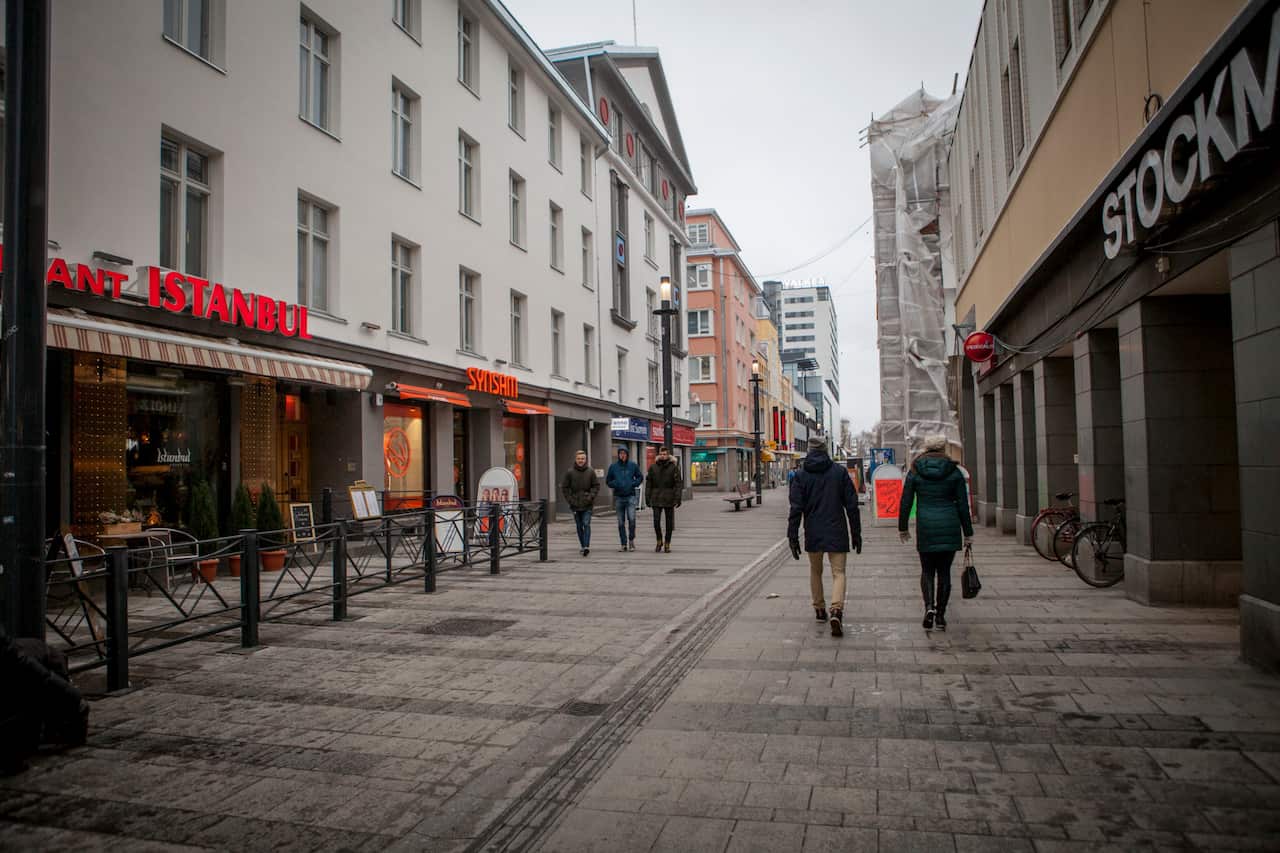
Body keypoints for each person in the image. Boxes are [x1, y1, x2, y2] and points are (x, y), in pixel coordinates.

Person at [897, 434, 974, 631]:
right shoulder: (954, 471)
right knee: (945, 572)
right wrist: (968, 532)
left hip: (926, 527)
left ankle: (929, 607)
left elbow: (906, 501)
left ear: (926, 448)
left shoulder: (915, 470)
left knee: (927, 570)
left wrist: (903, 527)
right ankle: (940, 615)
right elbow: (963, 505)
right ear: (943, 448)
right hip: (949, 525)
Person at [787, 436, 862, 637]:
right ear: (826, 449)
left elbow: (796, 508)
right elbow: (852, 505)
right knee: (839, 572)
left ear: (809, 451)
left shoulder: (801, 475)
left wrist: (792, 535)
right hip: (837, 529)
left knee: (815, 571)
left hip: (813, 531)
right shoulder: (839, 472)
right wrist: (856, 533)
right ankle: (836, 609)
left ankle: (820, 609)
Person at [560, 450, 600, 557]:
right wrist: (570, 500)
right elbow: (564, 488)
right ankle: (582, 545)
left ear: (585, 459)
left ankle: (586, 546)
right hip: (575, 504)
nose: (580, 460)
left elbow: (596, 486)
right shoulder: (570, 472)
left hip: (588, 504)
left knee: (586, 524)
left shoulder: (591, 472)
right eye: (579, 458)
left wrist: (590, 497)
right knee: (579, 526)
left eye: (582, 458)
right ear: (575, 459)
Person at [644, 446, 683, 552]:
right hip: (656, 498)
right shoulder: (653, 467)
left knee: (669, 523)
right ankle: (659, 540)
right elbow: (648, 484)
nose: (663, 456)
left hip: (669, 498)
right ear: (659, 455)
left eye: (665, 454)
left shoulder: (673, 468)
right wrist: (647, 497)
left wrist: (678, 498)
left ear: (668, 455)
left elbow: (678, 484)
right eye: (661, 454)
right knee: (656, 522)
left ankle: (667, 543)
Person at [605, 447, 644, 551]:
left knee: (632, 519)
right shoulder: (613, 467)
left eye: (624, 453)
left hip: (630, 496)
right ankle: (623, 543)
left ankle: (631, 540)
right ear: (618, 455)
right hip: (619, 497)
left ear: (627, 454)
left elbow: (640, 477)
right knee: (620, 522)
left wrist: (633, 484)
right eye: (620, 453)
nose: (622, 455)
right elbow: (608, 481)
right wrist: (615, 484)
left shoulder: (633, 465)